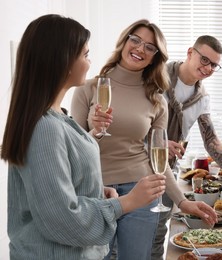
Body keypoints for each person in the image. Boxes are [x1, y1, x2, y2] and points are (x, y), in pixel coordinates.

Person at [0, 14, 167, 259]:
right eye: (86, 55)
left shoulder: (57, 118)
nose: (90, 63)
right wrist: (126, 202)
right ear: (64, 61)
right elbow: (62, 217)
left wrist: (97, 191)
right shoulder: (45, 128)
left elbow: (59, 185)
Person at [71, 19, 218, 260]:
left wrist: (182, 202)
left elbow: (157, 159)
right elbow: (73, 152)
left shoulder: (156, 99)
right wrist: (94, 132)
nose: (140, 49)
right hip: (95, 191)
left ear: (155, 57)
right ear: (124, 41)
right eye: (136, 40)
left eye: (150, 47)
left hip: (141, 191)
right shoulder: (88, 88)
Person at [151, 35, 222, 259]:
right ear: (190, 52)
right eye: (205, 60)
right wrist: (159, 143)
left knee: (157, 234)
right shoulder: (156, 77)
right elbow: (135, 121)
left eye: (214, 64)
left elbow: (209, 137)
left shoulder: (202, 98)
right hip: (138, 165)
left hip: (167, 171)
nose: (208, 68)